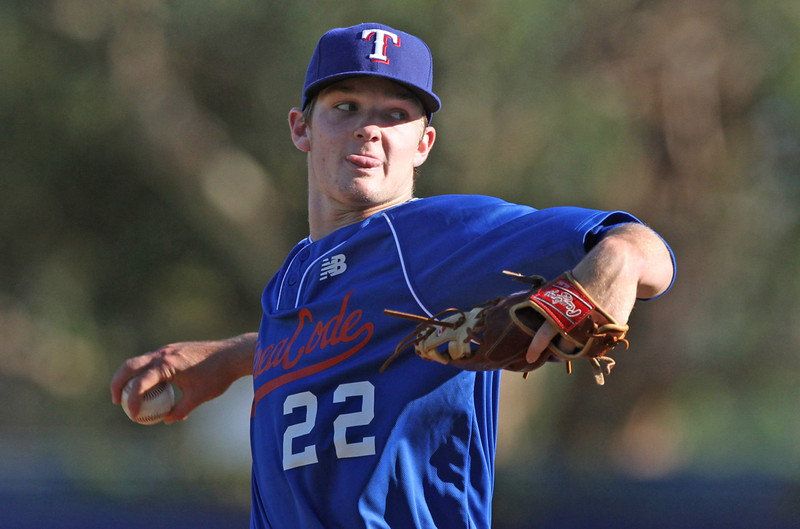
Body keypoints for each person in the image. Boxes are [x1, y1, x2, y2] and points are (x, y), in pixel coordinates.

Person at [110, 22, 675, 529]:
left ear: (423, 144)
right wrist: (235, 359)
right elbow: (359, 330)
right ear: (301, 128)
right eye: (346, 107)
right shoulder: (295, 272)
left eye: (395, 115)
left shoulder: (438, 236)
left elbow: (641, 249)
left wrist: (616, 266)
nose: (369, 129)